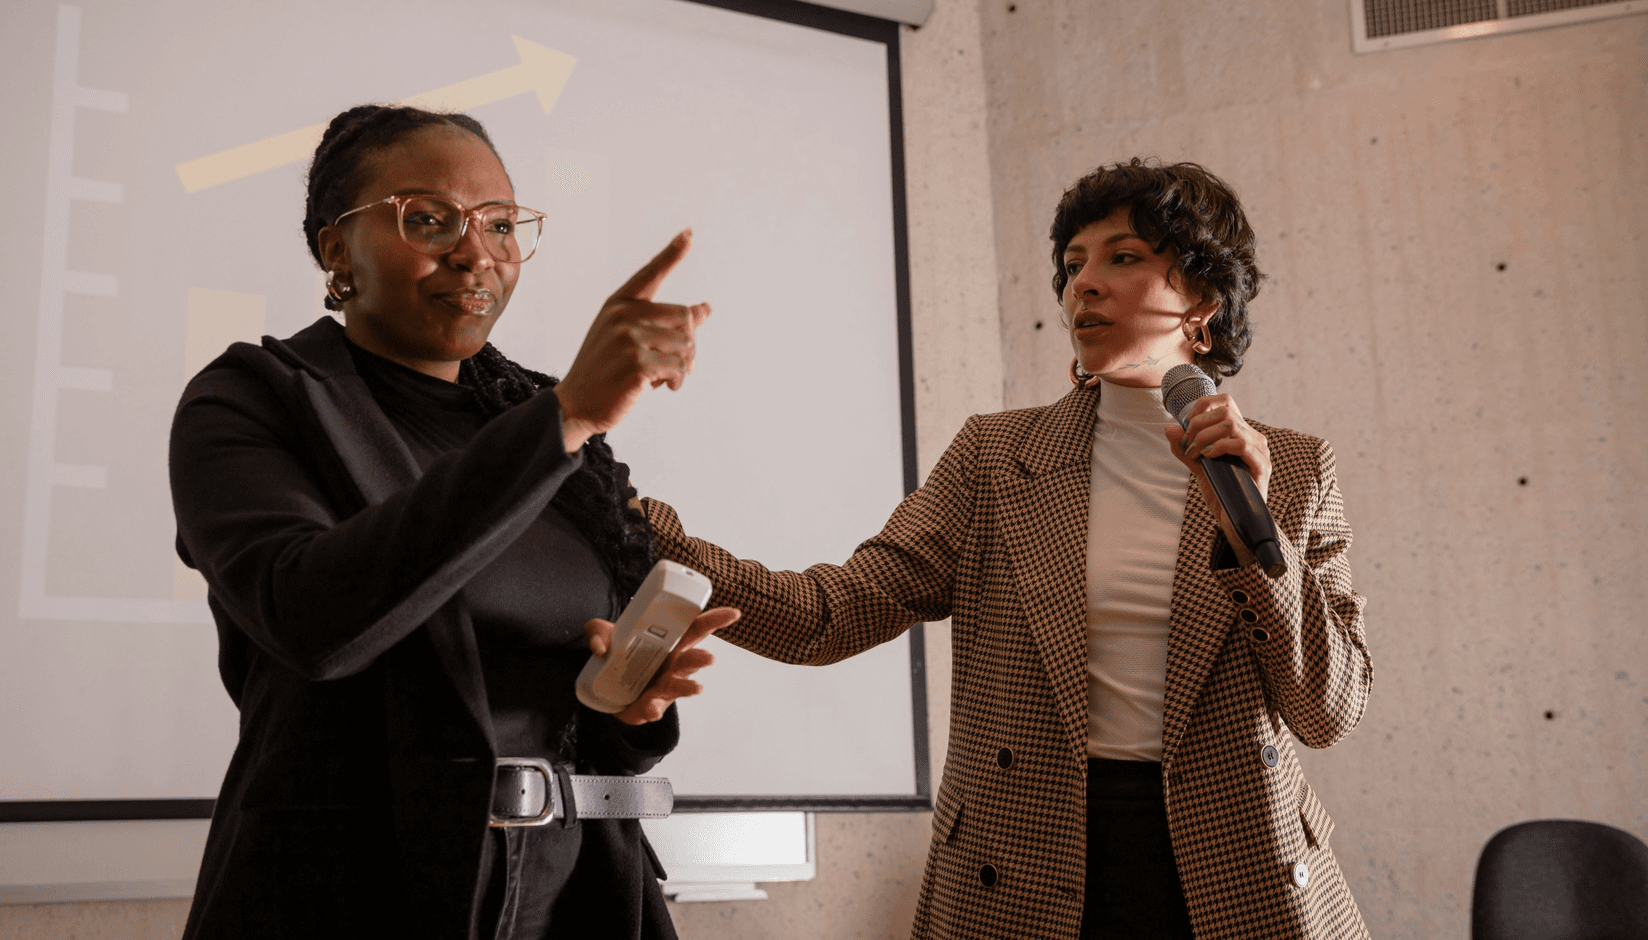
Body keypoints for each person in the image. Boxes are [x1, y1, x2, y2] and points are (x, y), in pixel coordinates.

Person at [640, 160, 1372, 939]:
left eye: (1122, 258)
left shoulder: (1291, 469)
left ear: (1202, 300)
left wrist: (1253, 540)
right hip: (1022, 863)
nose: (1082, 284)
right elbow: (830, 616)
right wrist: (644, 537)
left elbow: (1327, 712)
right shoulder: (997, 458)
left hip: (1235, 871)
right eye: (1072, 264)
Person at [169, 104, 736, 940]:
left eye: (501, 225)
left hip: (577, 898)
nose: (477, 252)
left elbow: (585, 730)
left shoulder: (547, 427)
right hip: (347, 898)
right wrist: (563, 419)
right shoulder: (254, 400)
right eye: (429, 220)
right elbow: (314, 620)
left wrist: (626, 709)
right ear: (337, 251)